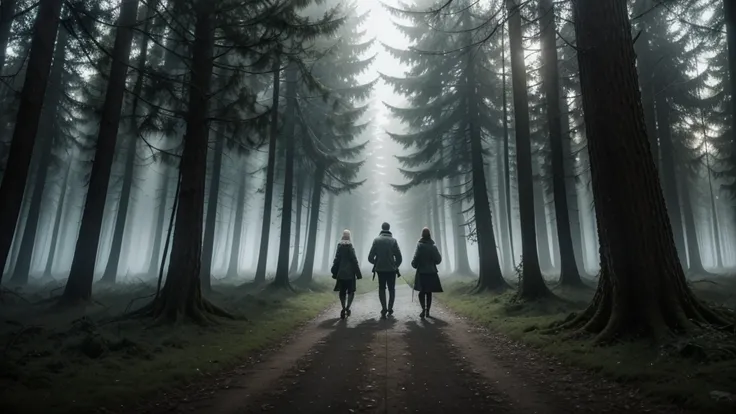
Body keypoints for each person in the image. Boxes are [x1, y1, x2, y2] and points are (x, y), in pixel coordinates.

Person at [368, 222, 402, 318]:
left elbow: (370, 257)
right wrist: (395, 266)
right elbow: (399, 257)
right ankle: (390, 308)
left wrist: (376, 263)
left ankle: (384, 308)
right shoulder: (393, 241)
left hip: (380, 269)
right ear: (389, 228)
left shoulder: (376, 240)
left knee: (381, 288)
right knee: (391, 289)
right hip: (391, 270)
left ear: (382, 228)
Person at [411, 227, 443, 318]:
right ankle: (428, 311)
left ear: (422, 235)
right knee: (429, 292)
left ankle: (423, 309)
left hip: (422, 272)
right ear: (429, 235)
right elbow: (438, 260)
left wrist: (414, 264)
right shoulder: (433, 246)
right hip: (432, 272)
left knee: (422, 292)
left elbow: (415, 258)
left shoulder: (419, 245)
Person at [331, 229, 362, 319]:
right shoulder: (350, 246)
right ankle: (348, 307)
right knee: (351, 291)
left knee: (342, 292)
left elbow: (336, 260)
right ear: (349, 237)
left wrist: (334, 271)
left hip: (341, 273)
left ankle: (343, 308)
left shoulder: (339, 246)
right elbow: (354, 260)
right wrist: (358, 273)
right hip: (350, 274)